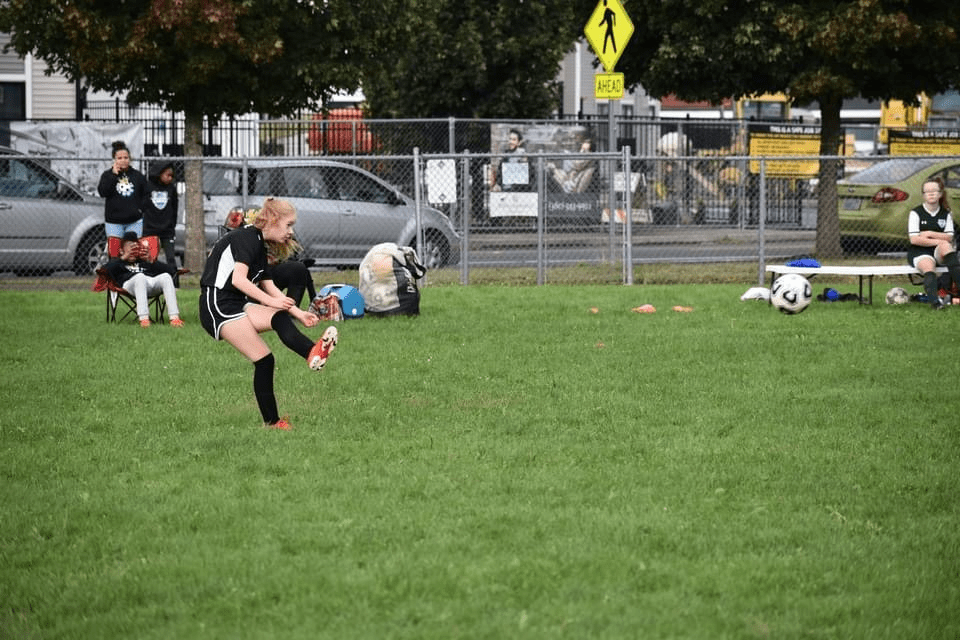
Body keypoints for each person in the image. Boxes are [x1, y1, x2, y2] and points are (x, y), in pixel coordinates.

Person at [199, 198, 338, 431]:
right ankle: (272, 422)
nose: (291, 231)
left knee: (278, 317)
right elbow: (239, 280)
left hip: (234, 303)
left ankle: (312, 353)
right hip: (217, 306)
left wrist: (299, 313)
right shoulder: (246, 238)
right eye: (288, 225)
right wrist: (271, 301)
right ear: (273, 220)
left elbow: (268, 285)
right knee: (264, 360)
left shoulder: (258, 243)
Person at [104, 232, 184, 328]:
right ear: (121, 251)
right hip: (129, 285)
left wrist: (150, 261)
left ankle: (174, 318)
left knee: (166, 277)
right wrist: (124, 257)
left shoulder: (144, 262)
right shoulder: (118, 263)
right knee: (140, 277)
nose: (133, 251)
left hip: (149, 283)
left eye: (135, 248)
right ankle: (144, 319)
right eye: (130, 248)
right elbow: (105, 270)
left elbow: (171, 271)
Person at [907, 176, 960, 310]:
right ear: (923, 195)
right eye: (927, 191)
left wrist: (929, 233)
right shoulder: (916, 213)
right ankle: (935, 303)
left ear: (940, 194)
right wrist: (940, 239)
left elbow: (949, 237)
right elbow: (915, 239)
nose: (931, 194)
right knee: (928, 266)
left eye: (934, 191)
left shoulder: (946, 213)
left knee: (946, 246)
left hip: (938, 251)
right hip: (919, 251)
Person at [98, 141, 148, 256]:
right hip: (114, 223)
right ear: (114, 160)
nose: (123, 160)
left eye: (126, 157)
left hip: (134, 222)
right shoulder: (107, 175)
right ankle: (115, 274)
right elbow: (103, 192)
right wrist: (113, 175)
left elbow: (146, 195)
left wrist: (140, 210)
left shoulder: (137, 176)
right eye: (119, 158)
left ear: (130, 159)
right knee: (115, 254)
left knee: (134, 254)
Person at [142, 160, 179, 266]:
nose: (170, 178)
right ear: (159, 173)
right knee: (151, 258)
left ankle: (173, 282)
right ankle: (150, 280)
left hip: (167, 230)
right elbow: (143, 206)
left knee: (171, 258)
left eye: (172, 176)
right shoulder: (148, 187)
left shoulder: (171, 189)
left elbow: (174, 208)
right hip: (150, 229)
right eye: (168, 175)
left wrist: (172, 225)